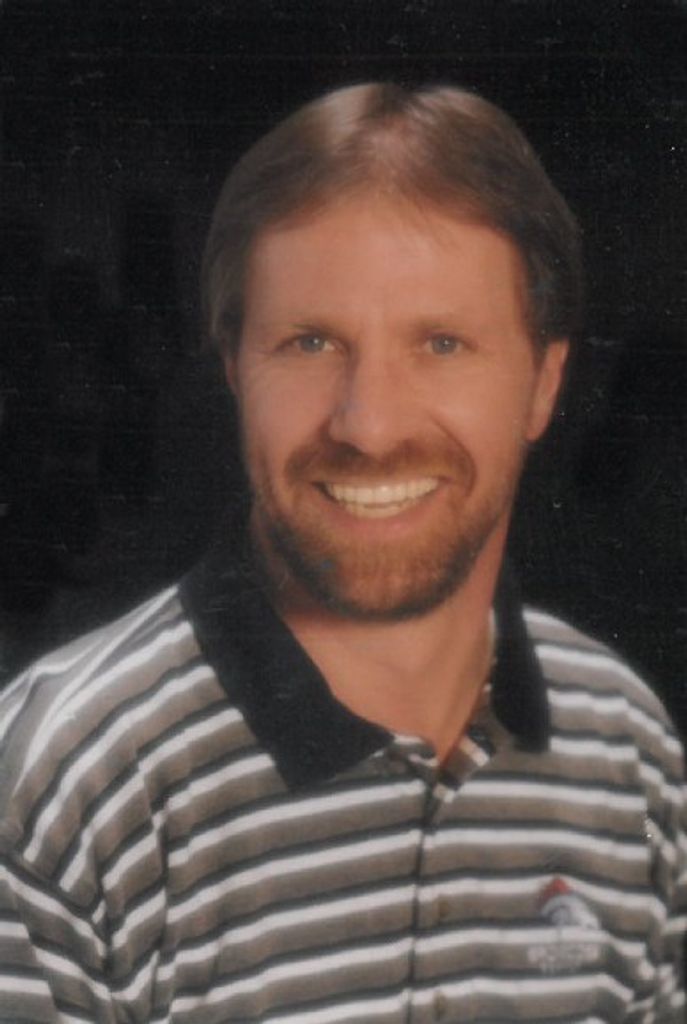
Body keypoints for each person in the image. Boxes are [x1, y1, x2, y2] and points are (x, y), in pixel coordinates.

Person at [0, 82, 684, 1023]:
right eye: (311, 341)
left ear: (542, 384)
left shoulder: (627, 747)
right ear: (233, 367)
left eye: (441, 343)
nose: (369, 426)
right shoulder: (54, 790)